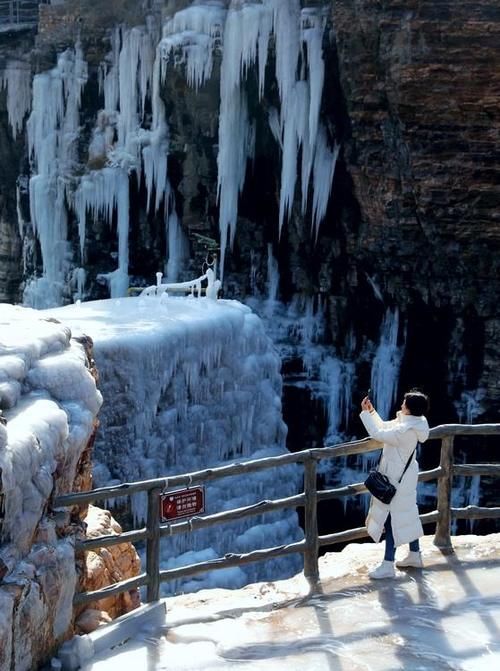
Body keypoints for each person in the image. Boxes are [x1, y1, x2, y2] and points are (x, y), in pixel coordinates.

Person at [360, 390, 430, 579]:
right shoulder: (412, 424)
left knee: (392, 519)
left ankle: (388, 564)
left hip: (395, 480)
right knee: (407, 513)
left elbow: (377, 433)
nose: (401, 406)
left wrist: (364, 414)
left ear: (409, 409)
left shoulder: (404, 431)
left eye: (404, 403)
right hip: (404, 479)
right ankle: (415, 555)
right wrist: (372, 412)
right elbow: (384, 427)